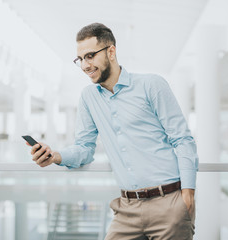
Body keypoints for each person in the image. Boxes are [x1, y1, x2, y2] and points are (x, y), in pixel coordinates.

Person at [29, 23, 199, 240]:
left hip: (169, 203)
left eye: (90, 56)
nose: (84, 65)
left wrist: (188, 195)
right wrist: (54, 156)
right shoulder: (89, 98)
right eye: (79, 59)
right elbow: (84, 148)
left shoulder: (152, 85)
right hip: (126, 209)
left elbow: (183, 139)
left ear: (111, 51)